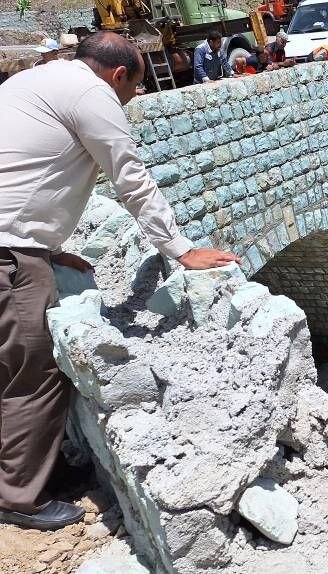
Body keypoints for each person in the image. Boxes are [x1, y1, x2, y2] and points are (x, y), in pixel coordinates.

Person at [0, 31, 239, 531]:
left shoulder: (33, 81)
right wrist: (180, 249)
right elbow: (130, 177)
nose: (134, 97)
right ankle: (19, 495)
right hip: (9, 256)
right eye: (134, 87)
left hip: (15, 245)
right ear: (119, 74)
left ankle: (29, 466)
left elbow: (20, 172)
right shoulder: (93, 93)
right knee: (33, 373)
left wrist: (47, 249)